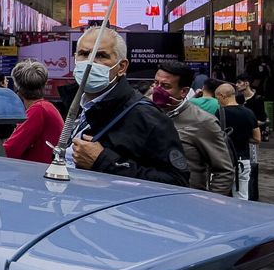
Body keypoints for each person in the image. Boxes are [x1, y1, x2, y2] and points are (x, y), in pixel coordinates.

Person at [65, 26, 187, 186]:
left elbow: (177, 181)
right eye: (84, 54)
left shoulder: (147, 118)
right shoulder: (73, 103)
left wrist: (105, 161)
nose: (90, 62)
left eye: (101, 56)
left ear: (121, 67)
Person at [151, 60, 232, 196]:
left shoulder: (203, 121)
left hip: (187, 201)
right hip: (149, 199)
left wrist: (210, 204)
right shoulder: (148, 113)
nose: (157, 89)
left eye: (165, 86)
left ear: (183, 92)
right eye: (155, 83)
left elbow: (224, 171)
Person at [3, 60, 65, 165]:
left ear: (17, 87)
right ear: (45, 84)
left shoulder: (38, 110)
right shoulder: (46, 107)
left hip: (36, 174)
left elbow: (10, 151)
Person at [216, 83, 258, 201]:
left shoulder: (220, 113)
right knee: (242, 195)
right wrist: (243, 137)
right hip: (243, 159)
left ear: (223, 95)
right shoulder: (249, 113)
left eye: (217, 97)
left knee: (219, 196)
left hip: (223, 160)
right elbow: (257, 138)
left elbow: (215, 136)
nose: (217, 101)